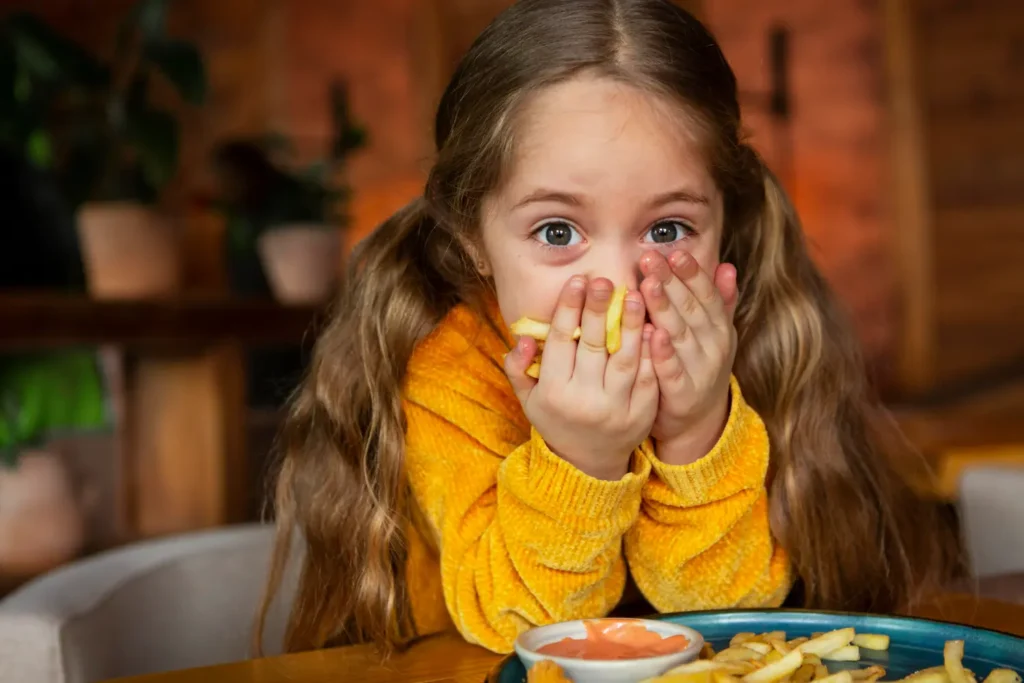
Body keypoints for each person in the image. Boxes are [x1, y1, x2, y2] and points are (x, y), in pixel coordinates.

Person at [256, 0, 956, 656]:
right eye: (558, 229)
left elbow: (734, 617)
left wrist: (696, 436)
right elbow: (525, 631)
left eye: (668, 227)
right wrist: (581, 461)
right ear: (474, 238)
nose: (620, 283)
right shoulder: (451, 374)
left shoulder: (734, 345)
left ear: (723, 228)